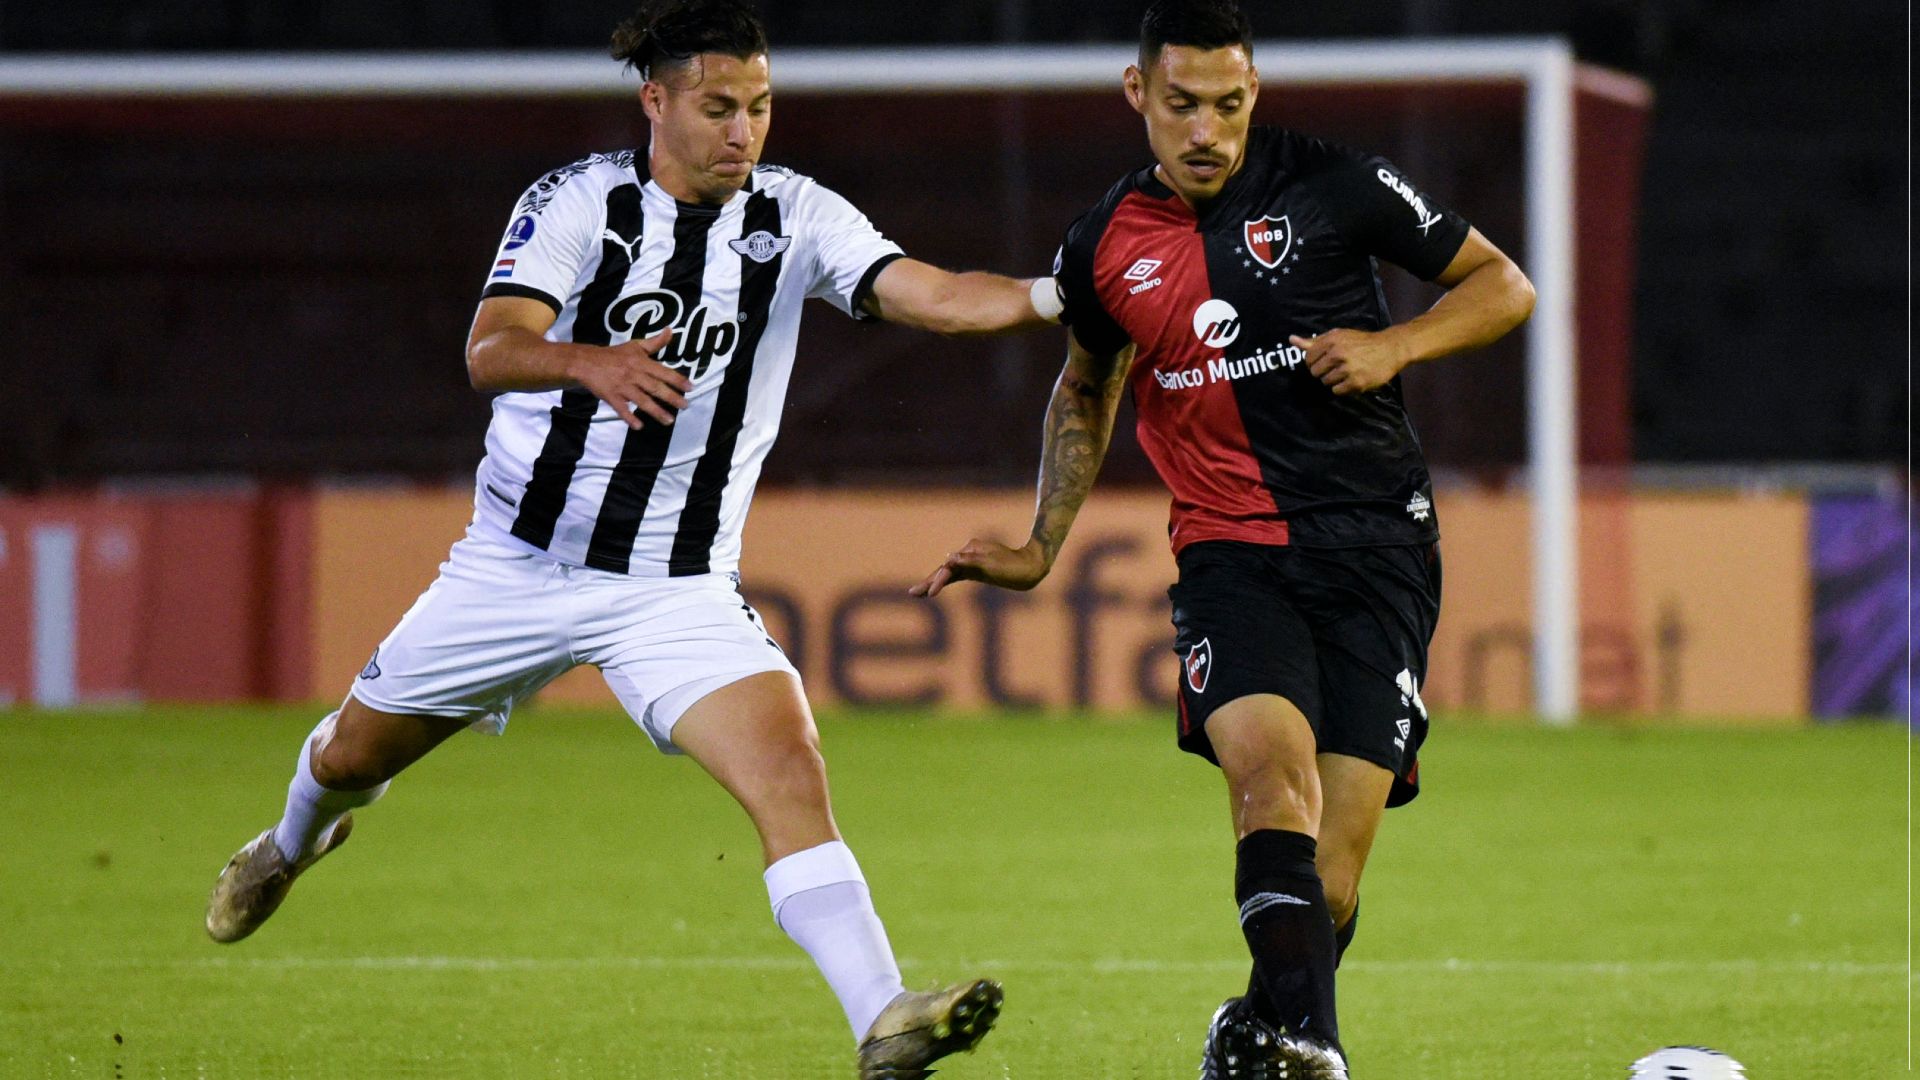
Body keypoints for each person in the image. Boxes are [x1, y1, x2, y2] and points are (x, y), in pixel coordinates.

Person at [205, 3, 1062, 1076]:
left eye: (758, 106)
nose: (744, 130)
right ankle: (290, 845)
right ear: (656, 101)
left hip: (675, 588)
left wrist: (1058, 293)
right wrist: (590, 363)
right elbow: (490, 349)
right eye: (718, 107)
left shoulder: (794, 217)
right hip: (514, 567)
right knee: (349, 755)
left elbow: (936, 297)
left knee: (791, 768)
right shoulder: (578, 203)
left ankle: (883, 1017)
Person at [911, 1, 1536, 1076]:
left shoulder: (1335, 184)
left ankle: (1252, 1037)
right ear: (1137, 93)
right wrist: (1038, 544)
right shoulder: (1104, 242)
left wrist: (1397, 346)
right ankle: (1317, 1056)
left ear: (1256, 93)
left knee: (1329, 882)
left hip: (1378, 547)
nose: (1208, 130)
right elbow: (1085, 388)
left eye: (1230, 104)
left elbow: (1503, 286)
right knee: (1268, 786)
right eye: (1184, 105)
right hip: (1230, 553)